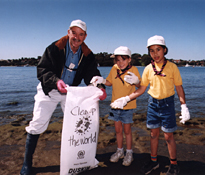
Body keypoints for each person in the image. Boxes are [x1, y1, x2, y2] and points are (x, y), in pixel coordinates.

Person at [20, 19, 106, 175]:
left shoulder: (87, 55)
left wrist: (99, 88)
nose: (76, 38)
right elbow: (42, 70)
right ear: (68, 32)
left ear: (85, 37)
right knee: (37, 124)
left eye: (81, 34)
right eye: (74, 33)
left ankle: (78, 158)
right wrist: (56, 81)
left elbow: (92, 75)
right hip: (50, 90)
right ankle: (27, 163)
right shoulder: (54, 48)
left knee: (78, 124)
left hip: (70, 92)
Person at [111, 35, 190, 175]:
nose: (155, 53)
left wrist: (183, 106)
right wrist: (126, 98)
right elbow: (141, 89)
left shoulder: (172, 67)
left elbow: (179, 87)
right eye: (152, 51)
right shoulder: (148, 68)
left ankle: (174, 163)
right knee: (153, 134)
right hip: (153, 104)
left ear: (165, 50)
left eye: (158, 49)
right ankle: (154, 161)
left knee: (168, 136)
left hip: (167, 104)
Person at [90, 46, 141, 166]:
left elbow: (140, 86)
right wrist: (101, 80)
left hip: (127, 106)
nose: (120, 62)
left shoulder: (134, 70)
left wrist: (137, 82)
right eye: (118, 60)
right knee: (118, 130)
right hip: (115, 105)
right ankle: (119, 151)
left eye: (123, 59)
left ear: (129, 59)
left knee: (127, 131)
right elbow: (110, 82)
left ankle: (129, 153)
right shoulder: (114, 68)